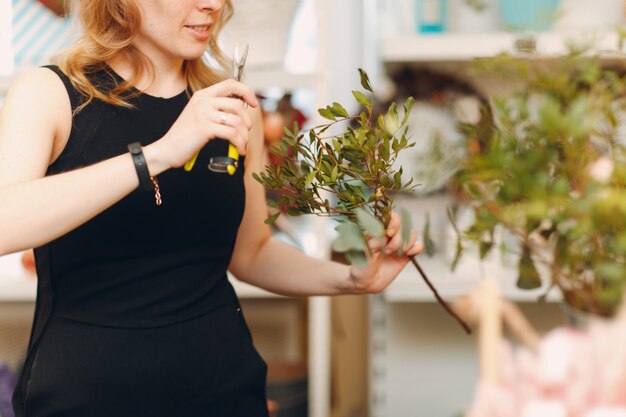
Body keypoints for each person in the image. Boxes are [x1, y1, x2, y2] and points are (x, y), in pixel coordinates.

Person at [0, 1, 423, 416]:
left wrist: (351, 278)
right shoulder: (50, 93)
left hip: (222, 388)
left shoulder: (233, 109)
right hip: (85, 395)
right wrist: (159, 154)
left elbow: (251, 252)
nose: (212, 5)